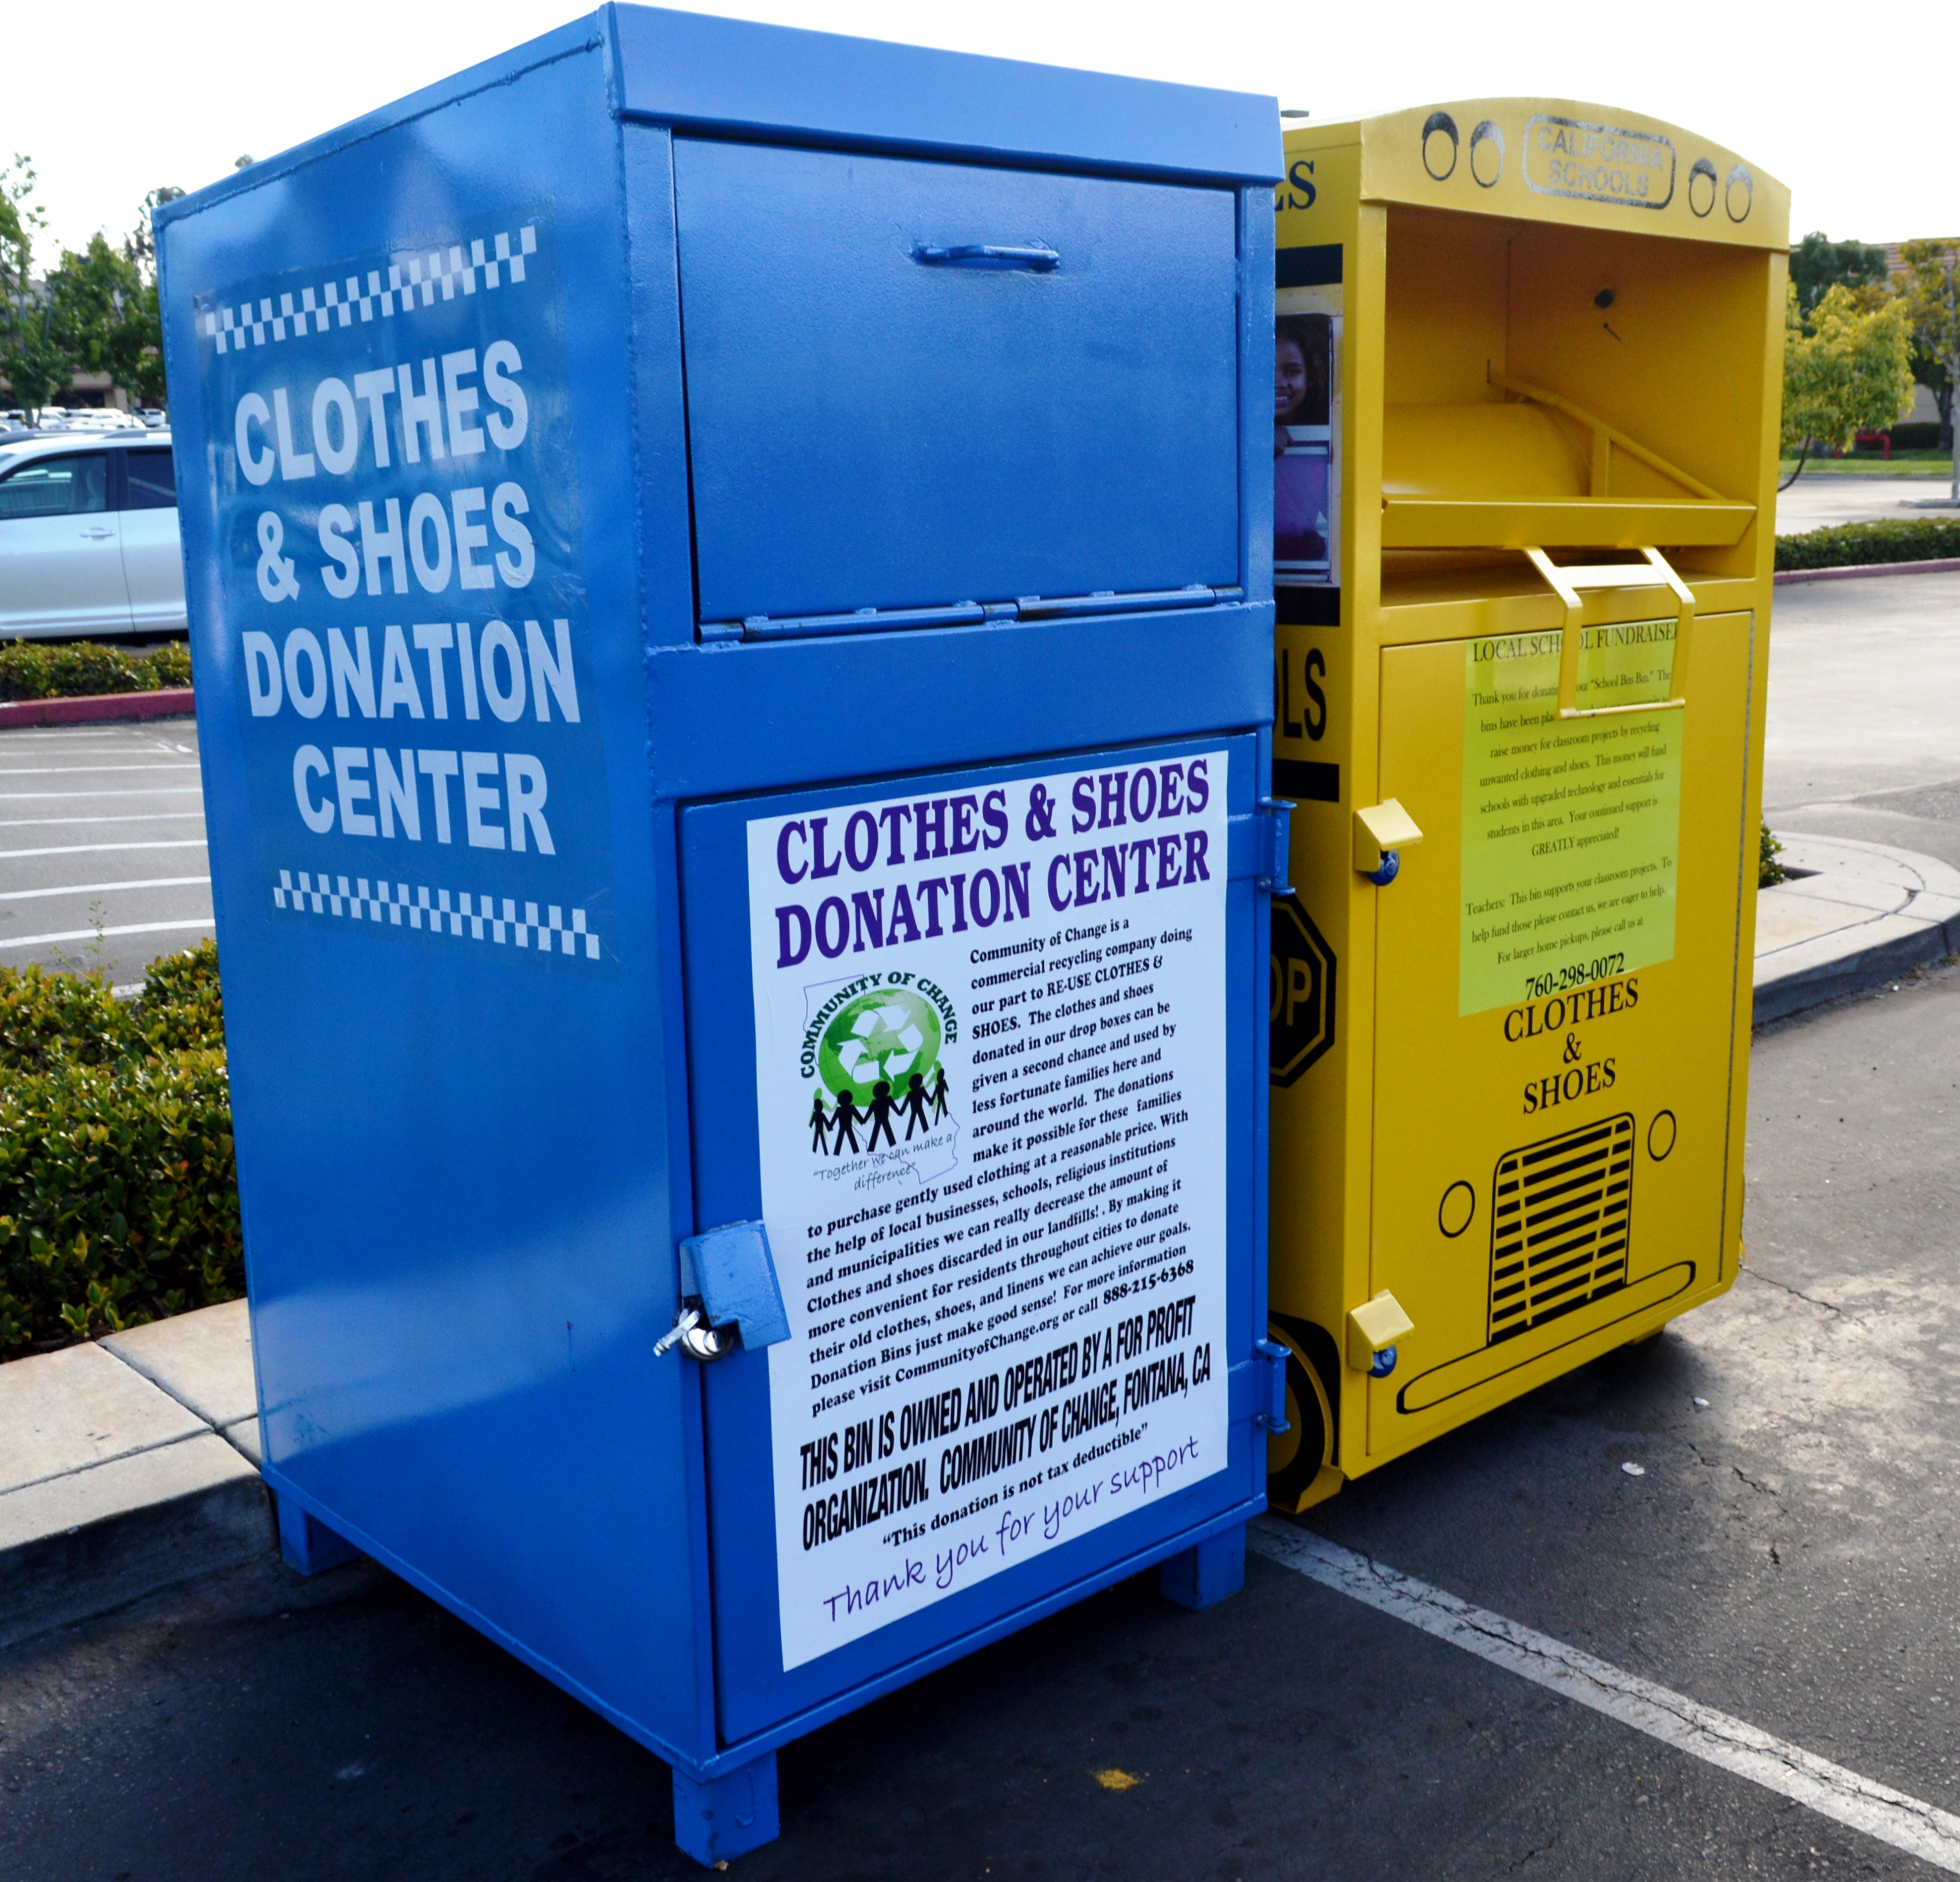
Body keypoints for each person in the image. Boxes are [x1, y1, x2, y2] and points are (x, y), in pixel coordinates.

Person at [866, 1080, 897, 1151]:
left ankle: (871, 1149)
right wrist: (899, 1112)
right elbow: (869, 1112)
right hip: (883, 1120)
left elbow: (869, 1112)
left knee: (877, 1133)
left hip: (881, 1120)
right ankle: (871, 1149)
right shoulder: (887, 1099)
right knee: (884, 1133)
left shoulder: (877, 1102)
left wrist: (864, 1120)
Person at [809, 1090, 831, 1154]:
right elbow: (826, 1122)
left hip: (819, 1128)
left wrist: (810, 1125)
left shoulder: (818, 1114)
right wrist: (829, 1127)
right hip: (819, 1128)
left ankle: (821, 1151)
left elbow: (825, 1121)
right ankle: (822, 1152)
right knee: (819, 1140)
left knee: (819, 1139)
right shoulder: (819, 1114)